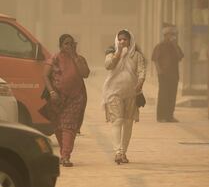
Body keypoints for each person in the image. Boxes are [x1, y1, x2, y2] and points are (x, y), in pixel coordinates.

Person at [41, 34, 90, 167]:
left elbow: (85, 74)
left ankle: (65, 156)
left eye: (71, 43)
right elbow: (45, 75)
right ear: (61, 45)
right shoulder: (55, 58)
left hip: (76, 97)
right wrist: (51, 92)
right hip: (57, 97)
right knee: (58, 126)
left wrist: (75, 57)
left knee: (69, 126)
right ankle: (64, 152)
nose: (68, 46)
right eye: (66, 44)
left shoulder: (79, 59)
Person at [102, 29, 146, 164]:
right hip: (113, 92)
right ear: (117, 40)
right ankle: (118, 152)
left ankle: (124, 152)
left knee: (128, 123)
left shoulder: (137, 56)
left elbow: (141, 71)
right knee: (117, 121)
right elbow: (108, 66)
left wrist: (140, 83)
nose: (122, 42)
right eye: (120, 39)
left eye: (125, 39)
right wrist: (119, 52)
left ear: (130, 41)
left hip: (131, 94)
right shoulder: (111, 53)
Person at [152, 23, 184, 122]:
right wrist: (159, 72)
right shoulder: (160, 46)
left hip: (174, 75)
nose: (171, 36)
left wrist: (175, 45)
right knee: (163, 96)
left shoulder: (175, 47)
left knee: (172, 96)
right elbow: (155, 60)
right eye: (170, 34)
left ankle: (170, 116)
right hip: (163, 76)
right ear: (165, 35)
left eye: (172, 34)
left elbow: (180, 57)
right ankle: (161, 116)